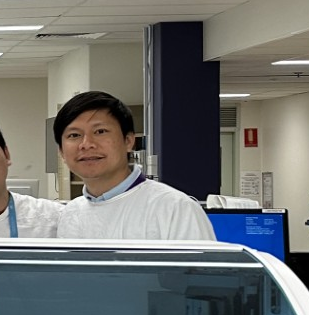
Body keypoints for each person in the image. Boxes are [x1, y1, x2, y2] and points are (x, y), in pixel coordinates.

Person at [52, 90, 216, 241]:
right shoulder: (71, 214)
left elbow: (204, 273)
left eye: (100, 131)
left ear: (128, 141)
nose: (86, 144)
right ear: (61, 151)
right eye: (74, 135)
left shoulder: (174, 208)